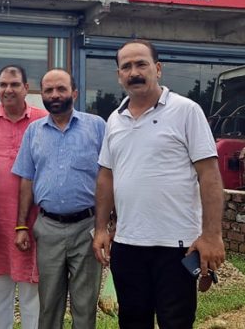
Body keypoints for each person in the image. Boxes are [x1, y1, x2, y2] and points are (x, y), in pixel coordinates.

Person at [93, 39, 225, 328]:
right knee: (132, 322)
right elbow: (106, 176)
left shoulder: (186, 111)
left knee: (175, 323)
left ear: (158, 68)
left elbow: (210, 175)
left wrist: (212, 235)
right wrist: (101, 228)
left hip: (176, 247)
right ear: (119, 75)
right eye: (126, 66)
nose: (134, 71)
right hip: (128, 246)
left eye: (141, 63)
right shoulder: (115, 120)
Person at [13, 69, 105, 329]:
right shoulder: (34, 132)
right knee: (49, 304)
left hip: (87, 227)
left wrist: (107, 225)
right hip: (48, 227)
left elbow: (109, 178)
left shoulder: (97, 126)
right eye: (49, 90)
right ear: (41, 94)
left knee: (85, 306)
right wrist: (21, 225)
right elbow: (26, 181)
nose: (55, 95)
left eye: (61, 89)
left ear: (74, 93)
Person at [0, 65, 47, 329]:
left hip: (34, 220)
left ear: (26, 88)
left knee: (33, 292)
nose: (8, 90)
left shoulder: (43, 120)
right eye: (3, 84)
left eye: (14, 84)